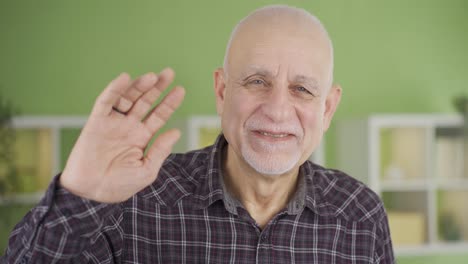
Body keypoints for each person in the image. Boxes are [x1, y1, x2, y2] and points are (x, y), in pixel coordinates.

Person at [1, 5, 394, 263]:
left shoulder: (361, 215)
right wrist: (79, 194)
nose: (276, 110)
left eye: (302, 89)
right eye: (257, 81)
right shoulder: (133, 202)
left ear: (326, 108)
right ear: (223, 92)